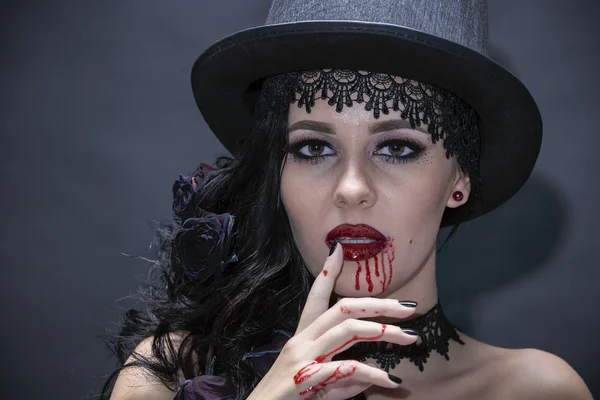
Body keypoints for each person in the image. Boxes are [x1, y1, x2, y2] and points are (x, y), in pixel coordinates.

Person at [100, 0, 593, 399]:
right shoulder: (169, 374)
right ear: (278, 173)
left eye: (397, 148)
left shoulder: (533, 390)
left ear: (458, 179)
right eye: (313, 148)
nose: (352, 188)